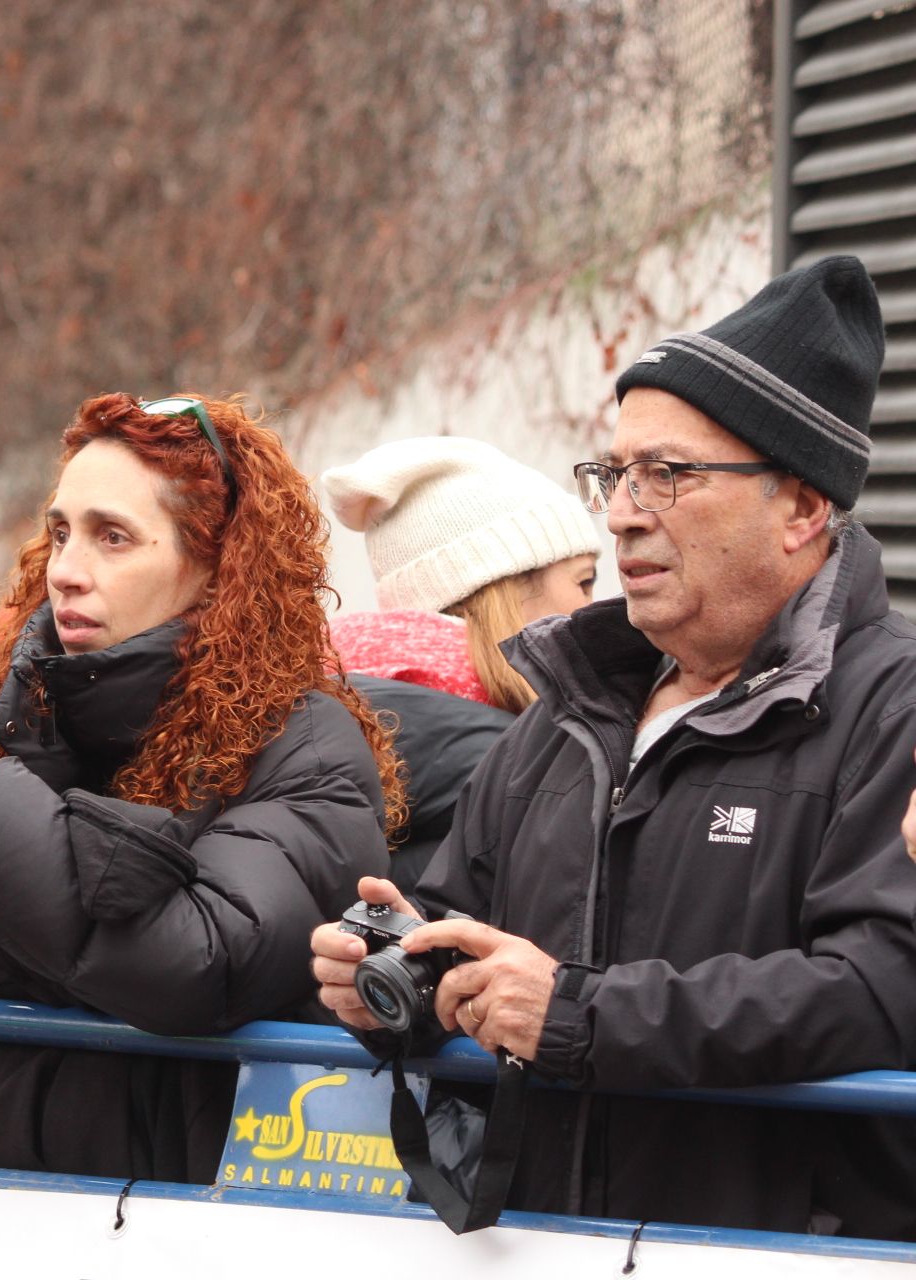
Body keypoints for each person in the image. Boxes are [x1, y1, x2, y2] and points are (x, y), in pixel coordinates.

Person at [311, 255, 916, 1238]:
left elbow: (883, 985)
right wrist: (395, 965)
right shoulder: (570, 708)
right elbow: (469, 918)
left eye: (670, 474)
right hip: (541, 1241)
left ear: (803, 507)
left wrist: (582, 1014)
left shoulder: (893, 704)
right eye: (617, 471)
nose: (624, 509)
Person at [0, 392, 401, 1181]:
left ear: (216, 566)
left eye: (114, 538)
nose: (67, 571)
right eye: (62, 532)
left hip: (169, 1228)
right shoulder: (19, 711)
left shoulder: (306, 747)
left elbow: (200, 965)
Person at [321, 437, 601, 882]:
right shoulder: (507, 758)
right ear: (506, 590)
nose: (589, 609)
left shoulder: (318, 714)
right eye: (584, 582)